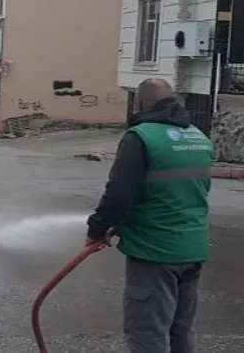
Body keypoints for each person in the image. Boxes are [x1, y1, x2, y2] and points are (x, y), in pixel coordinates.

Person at [85, 78, 212, 353]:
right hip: (193, 249)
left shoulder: (141, 136)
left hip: (155, 252)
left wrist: (97, 228)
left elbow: (119, 194)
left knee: (147, 333)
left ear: (141, 103)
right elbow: (191, 193)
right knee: (181, 330)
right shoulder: (198, 137)